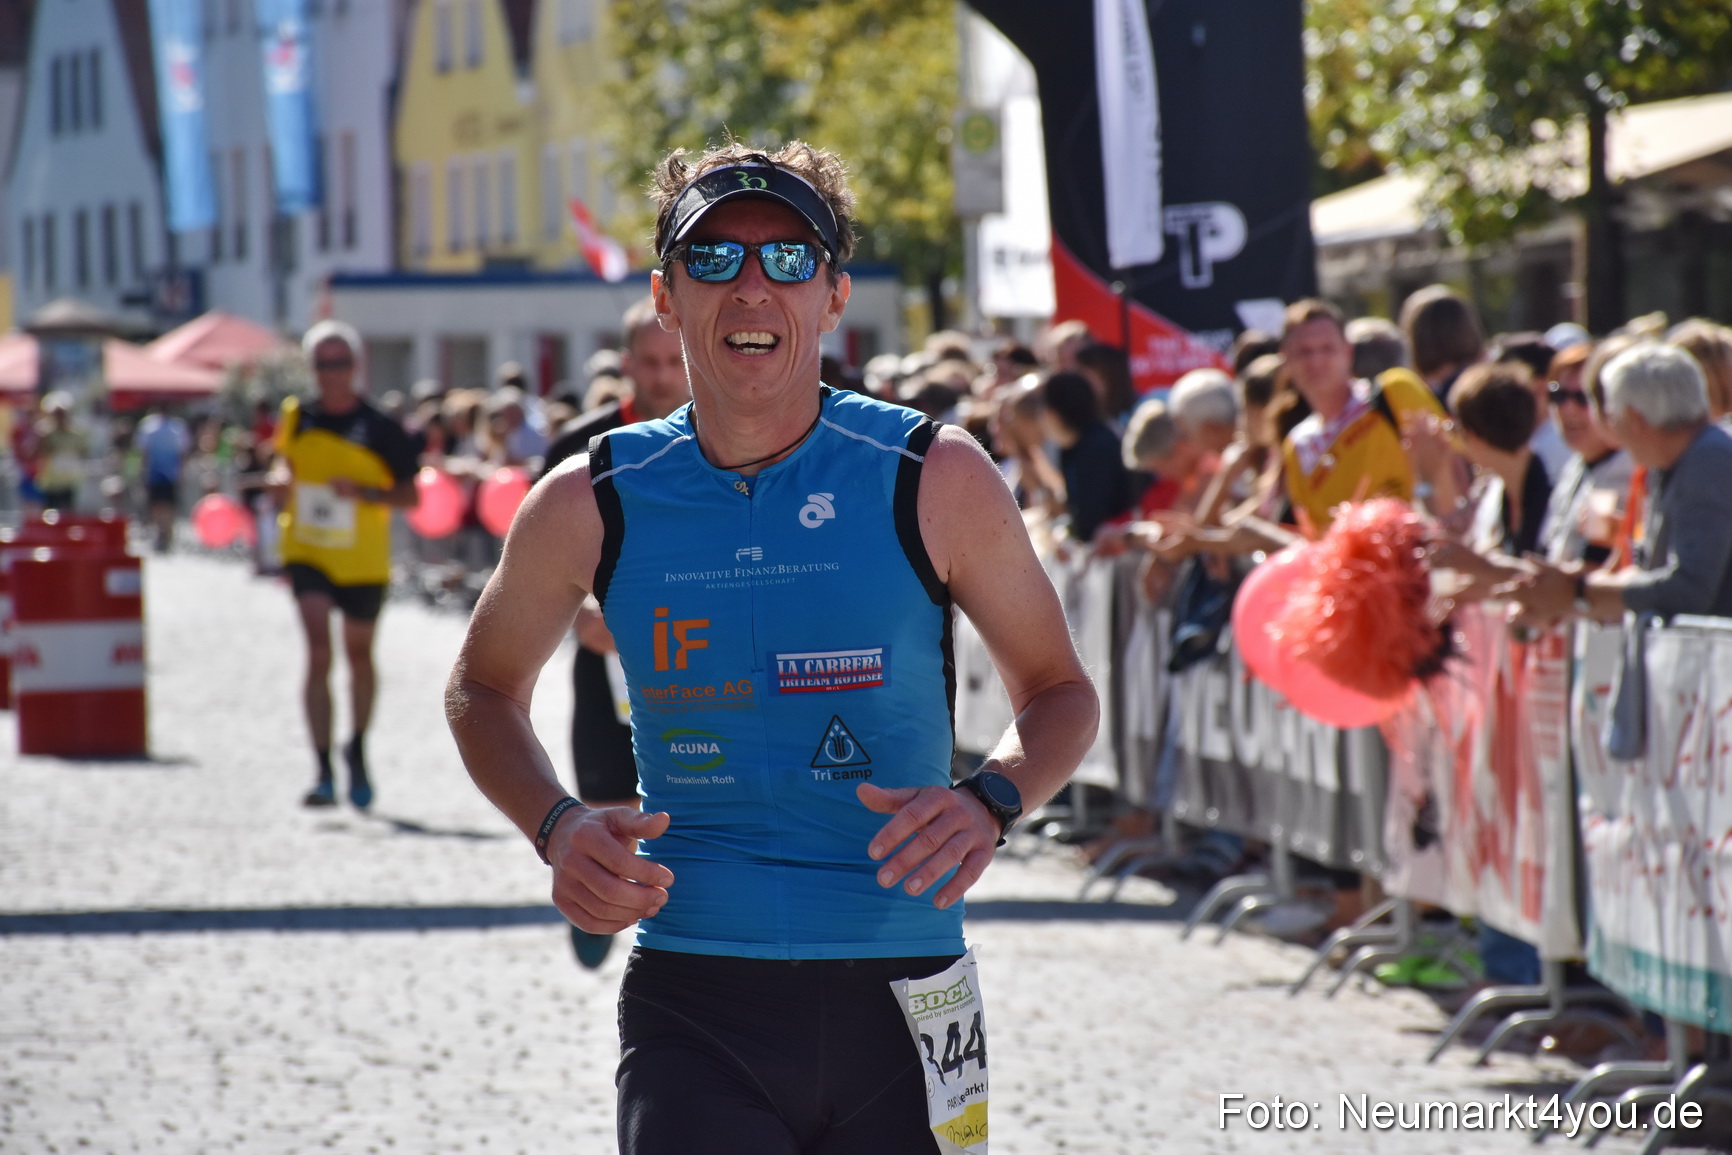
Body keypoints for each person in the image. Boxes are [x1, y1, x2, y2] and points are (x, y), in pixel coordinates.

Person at [446, 140, 1098, 1154]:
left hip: (907, 988)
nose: (751, 286)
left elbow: (1059, 690)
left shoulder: (931, 474)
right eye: (713, 259)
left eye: (788, 258)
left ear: (833, 296)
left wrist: (992, 799)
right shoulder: (592, 497)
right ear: (665, 298)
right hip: (695, 992)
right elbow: (482, 687)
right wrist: (556, 825)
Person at [538, 295, 691, 970]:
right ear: (625, 362)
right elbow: (532, 562)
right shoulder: (580, 449)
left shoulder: (727, 439)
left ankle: (680, 940)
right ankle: (599, 894)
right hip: (604, 655)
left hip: (695, 655)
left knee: (694, 798)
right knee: (606, 800)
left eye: (672, 362)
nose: (661, 376)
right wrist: (577, 615)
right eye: (648, 362)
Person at [270, 320, 420, 809]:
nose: (330, 373)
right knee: (318, 652)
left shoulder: (381, 427)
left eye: (339, 363)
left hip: (362, 560)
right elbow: (284, 462)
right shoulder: (297, 415)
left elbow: (411, 495)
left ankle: (356, 747)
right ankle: (321, 770)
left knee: (358, 656)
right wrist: (279, 480)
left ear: (355, 366)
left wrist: (364, 493)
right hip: (307, 548)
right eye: (321, 364)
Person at [1503, 343, 1732, 622]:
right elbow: (1649, 570)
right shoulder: (1675, 462)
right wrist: (1572, 587)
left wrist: (1579, 591)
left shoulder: (1708, 460)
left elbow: (1690, 589)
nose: (1612, 430)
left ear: (1635, 419)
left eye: (1613, 416)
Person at [1277, 298, 1448, 531]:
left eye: (1327, 348)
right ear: (1285, 358)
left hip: (1421, 545)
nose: (1316, 361)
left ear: (1348, 351)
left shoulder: (1394, 393)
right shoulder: (1298, 446)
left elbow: (1457, 465)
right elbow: (1316, 538)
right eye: (1304, 352)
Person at [1040, 370, 1138, 543]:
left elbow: (1091, 521)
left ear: (1052, 414)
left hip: (1121, 543)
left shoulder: (1098, 446)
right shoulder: (1072, 447)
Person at [135, 404, 191, 552]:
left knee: (161, 505)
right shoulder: (174, 427)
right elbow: (182, 453)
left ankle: (163, 533)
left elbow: (144, 453)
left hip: (160, 473)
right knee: (164, 505)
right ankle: (163, 532)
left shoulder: (151, 427)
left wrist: (142, 472)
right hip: (165, 473)